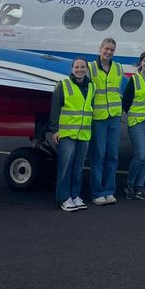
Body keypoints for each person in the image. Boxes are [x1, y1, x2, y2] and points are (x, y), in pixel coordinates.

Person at [49, 57, 94, 212]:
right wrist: (55, 129)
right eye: (77, 67)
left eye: (82, 67)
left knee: (78, 167)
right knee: (65, 166)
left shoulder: (91, 87)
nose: (79, 70)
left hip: (83, 133)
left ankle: (75, 195)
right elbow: (55, 108)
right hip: (67, 133)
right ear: (72, 69)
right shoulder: (63, 85)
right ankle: (64, 197)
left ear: (87, 69)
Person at [88, 38, 125, 205]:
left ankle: (109, 191)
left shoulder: (118, 67)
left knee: (113, 156)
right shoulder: (90, 67)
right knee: (98, 155)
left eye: (112, 50)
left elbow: (119, 89)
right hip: (99, 117)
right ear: (100, 48)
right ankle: (97, 193)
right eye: (106, 49)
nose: (109, 52)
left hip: (114, 116)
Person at [121, 51, 145, 200]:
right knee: (140, 155)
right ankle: (129, 184)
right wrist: (133, 115)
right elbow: (126, 101)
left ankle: (140, 186)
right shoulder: (135, 80)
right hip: (137, 122)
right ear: (140, 63)